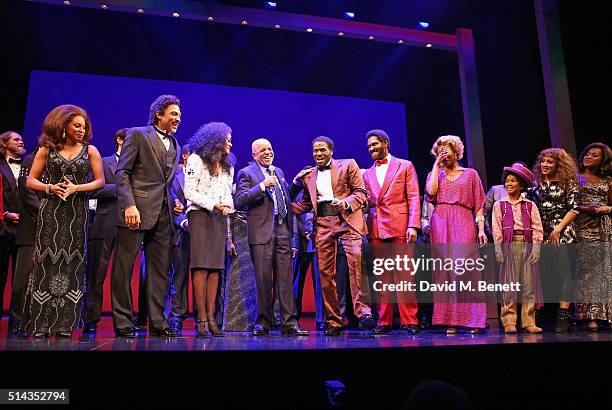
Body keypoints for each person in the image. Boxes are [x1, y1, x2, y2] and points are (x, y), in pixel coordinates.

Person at [22, 104, 105, 338]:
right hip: (51, 212)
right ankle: (40, 323)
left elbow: (100, 181)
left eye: (84, 126)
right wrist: (50, 187)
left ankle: (65, 324)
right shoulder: (46, 150)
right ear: (63, 126)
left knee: (73, 263)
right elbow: (31, 181)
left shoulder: (90, 151)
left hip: (76, 213)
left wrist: (77, 188)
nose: (81, 130)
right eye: (76, 125)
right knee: (46, 262)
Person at [111, 95, 181, 338]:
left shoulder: (176, 145)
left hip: (164, 215)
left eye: (179, 115)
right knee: (124, 267)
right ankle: (122, 322)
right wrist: (129, 205)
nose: (178, 118)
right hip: (136, 212)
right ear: (159, 114)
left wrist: (174, 201)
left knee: (160, 271)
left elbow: (164, 182)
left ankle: (158, 323)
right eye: (173, 113)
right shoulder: (138, 134)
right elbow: (123, 172)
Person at [292, 136, 373, 336]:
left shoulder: (348, 165)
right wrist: (282, 205)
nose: (318, 154)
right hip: (323, 223)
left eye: (322, 150)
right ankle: (334, 320)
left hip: (346, 218)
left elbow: (361, 193)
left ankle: (363, 313)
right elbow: (304, 204)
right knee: (326, 274)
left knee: (356, 263)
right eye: (315, 151)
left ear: (331, 151)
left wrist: (345, 203)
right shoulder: (309, 175)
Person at [235, 138, 308, 336]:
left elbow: (285, 200)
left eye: (270, 149)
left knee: (285, 280)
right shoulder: (247, 173)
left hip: (282, 230)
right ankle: (264, 322)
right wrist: (261, 187)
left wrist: (294, 183)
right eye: (263, 150)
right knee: (263, 279)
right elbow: (239, 200)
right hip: (261, 233)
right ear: (254, 155)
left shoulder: (279, 172)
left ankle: (289, 323)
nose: (268, 152)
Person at [425, 135, 488, 334]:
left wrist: (480, 230)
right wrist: (436, 166)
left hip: (463, 218)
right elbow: (431, 191)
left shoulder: (470, 174)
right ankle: (450, 320)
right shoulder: (434, 174)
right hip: (440, 220)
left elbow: (479, 205)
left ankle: (473, 319)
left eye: (447, 149)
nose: (444, 153)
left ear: (456, 151)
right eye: (440, 150)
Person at [362, 129, 421, 334]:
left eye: (375, 144)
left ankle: (410, 321)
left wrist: (413, 224)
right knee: (382, 277)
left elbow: (413, 196)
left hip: (400, 225)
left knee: (404, 276)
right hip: (376, 228)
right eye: (369, 146)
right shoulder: (367, 173)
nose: (371, 149)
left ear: (386, 143)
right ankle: (384, 322)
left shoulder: (404, 165)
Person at [184, 122, 234, 338]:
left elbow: (227, 194)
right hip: (200, 215)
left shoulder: (227, 166)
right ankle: (201, 319)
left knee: (215, 269)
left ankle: (213, 319)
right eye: (227, 138)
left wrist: (229, 207)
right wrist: (213, 205)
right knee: (201, 267)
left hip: (219, 218)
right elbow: (189, 192)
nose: (230, 143)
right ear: (215, 139)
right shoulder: (196, 159)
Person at [527, 147, 579, 333]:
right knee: (542, 275)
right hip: (541, 233)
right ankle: (539, 314)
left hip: (562, 232)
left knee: (564, 274)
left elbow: (574, 209)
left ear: (559, 164)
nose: (545, 165)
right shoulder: (535, 187)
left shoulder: (568, 184)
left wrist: (557, 230)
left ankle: (563, 316)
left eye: (550, 161)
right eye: (543, 161)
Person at [82, 129, 125, 335]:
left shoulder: (137, 167)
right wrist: (119, 189)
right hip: (104, 223)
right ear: (119, 140)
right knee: (96, 275)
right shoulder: (103, 161)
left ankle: (123, 323)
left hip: (128, 227)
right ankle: (90, 318)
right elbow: (90, 189)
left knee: (122, 277)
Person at [492, 162, 544, 334]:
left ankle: (529, 321)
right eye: (507, 181)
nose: (509, 183)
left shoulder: (530, 205)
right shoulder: (499, 205)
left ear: (521, 184)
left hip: (527, 244)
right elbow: (496, 228)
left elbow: (537, 227)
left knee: (528, 285)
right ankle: (509, 321)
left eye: (513, 180)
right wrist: (498, 249)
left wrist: (536, 248)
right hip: (509, 245)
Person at [574, 142, 612, 330]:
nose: (588, 157)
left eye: (594, 155)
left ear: (603, 160)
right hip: (582, 226)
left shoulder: (607, 181)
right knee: (587, 271)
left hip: (603, 227)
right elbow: (570, 204)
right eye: (587, 153)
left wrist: (607, 208)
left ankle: (605, 315)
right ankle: (588, 316)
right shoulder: (576, 178)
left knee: (603, 272)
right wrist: (587, 209)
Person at [7, 148, 40, 336]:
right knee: (22, 280)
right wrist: (45, 214)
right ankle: (17, 322)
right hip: (31, 227)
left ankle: (35, 321)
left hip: (52, 229)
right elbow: (27, 191)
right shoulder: (30, 159)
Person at [0, 131, 26, 316]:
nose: (21, 142)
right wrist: (5, 214)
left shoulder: (29, 165)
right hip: (2, 228)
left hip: (24, 229)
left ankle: (16, 322)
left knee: (21, 279)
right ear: (3, 144)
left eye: (21, 140)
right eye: (16, 139)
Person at [166, 144, 190, 333]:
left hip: (204, 233)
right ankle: (177, 317)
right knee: (179, 276)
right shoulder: (174, 176)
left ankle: (203, 319)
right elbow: (170, 200)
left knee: (202, 276)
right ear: (186, 156)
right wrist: (182, 222)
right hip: (181, 232)